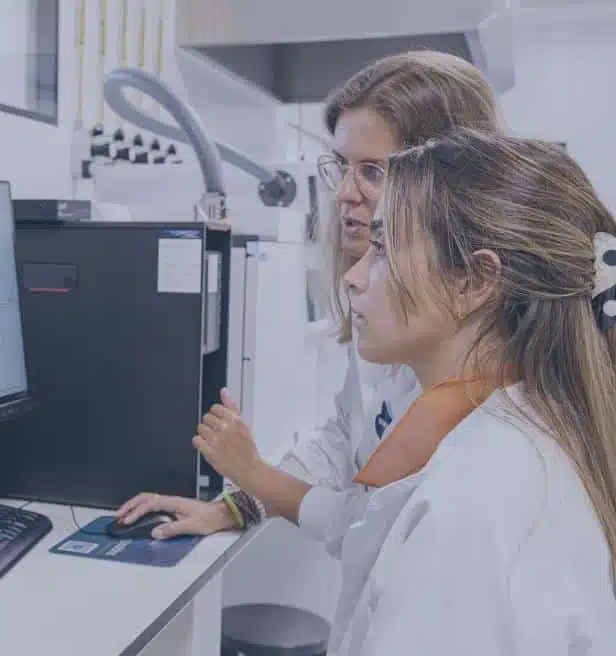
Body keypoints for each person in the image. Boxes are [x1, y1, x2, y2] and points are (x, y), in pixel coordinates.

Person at [200, 129, 616, 653]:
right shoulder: (516, 433)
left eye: (380, 248)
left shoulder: (475, 507)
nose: (352, 277)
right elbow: (364, 517)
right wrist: (251, 484)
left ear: (472, 281)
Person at [116, 50, 502, 545]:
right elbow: (347, 440)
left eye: (372, 171)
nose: (344, 193)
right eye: (342, 166)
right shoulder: (393, 321)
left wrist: (253, 473)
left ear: (451, 184)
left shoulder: (482, 402)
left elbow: (369, 528)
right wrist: (240, 501)